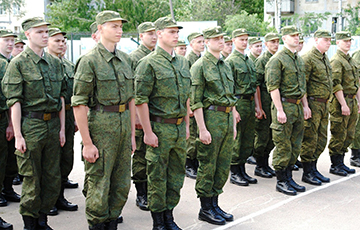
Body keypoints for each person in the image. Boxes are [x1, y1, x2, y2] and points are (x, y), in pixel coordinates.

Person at [72, 11, 136, 229]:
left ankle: (112, 223)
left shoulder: (125, 59)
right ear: (100, 29)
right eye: (113, 26)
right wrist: (88, 143)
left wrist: (132, 135)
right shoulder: (89, 61)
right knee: (98, 185)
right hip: (100, 128)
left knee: (121, 185)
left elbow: (131, 100)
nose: (119, 30)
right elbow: (79, 104)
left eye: (120, 26)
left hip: (123, 129)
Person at [2, 17, 66, 229]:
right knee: (31, 178)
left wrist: (62, 129)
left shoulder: (55, 63)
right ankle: (30, 223)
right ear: (28, 34)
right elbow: (15, 102)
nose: (45, 35)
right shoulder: (18, 64)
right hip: (31, 125)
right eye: (39, 32)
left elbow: (61, 100)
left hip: (52, 125)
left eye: (46, 31)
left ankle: (42, 219)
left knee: (52, 178)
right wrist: (18, 135)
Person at [135, 16, 190, 230]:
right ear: (159, 34)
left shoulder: (183, 63)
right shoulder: (147, 63)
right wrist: (147, 132)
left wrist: (186, 125)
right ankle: (158, 222)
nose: (176, 36)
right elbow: (141, 100)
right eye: (171, 32)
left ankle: (169, 216)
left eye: (177, 32)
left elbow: (186, 96)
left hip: (177, 128)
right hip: (158, 127)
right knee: (157, 176)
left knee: (176, 175)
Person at [191, 26, 238, 225]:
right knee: (208, 164)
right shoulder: (200, 66)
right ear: (207, 42)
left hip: (226, 119)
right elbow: (196, 101)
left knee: (222, 165)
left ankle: (215, 203)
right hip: (211, 119)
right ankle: (205, 207)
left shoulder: (225, 65)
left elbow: (230, 97)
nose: (221, 41)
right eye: (216, 39)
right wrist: (202, 128)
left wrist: (233, 124)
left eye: (222, 38)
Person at [265, 25, 310, 196]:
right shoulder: (277, 60)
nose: (296, 38)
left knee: (295, 144)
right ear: (284, 39)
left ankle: (290, 177)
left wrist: (305, 106)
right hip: (284, 105)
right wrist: (279, 110)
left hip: (297, 105)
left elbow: (302, 86)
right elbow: (273, 87)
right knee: (283, 145)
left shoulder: (297, 59)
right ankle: (281, 180)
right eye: (292, 36)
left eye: (297, 35)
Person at [47, 27, 78, 215]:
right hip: (50, 117)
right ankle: (49, 200)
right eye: (57, 41)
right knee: (51, 163)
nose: (61, 44)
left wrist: (73, 119)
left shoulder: (68, 65)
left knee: (66, 159)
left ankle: (59, 196)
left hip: (67, 115)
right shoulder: (46, 64)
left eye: (63, 41)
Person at [226, 28, 260, 187]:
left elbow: (255, 86)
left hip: (249, 102)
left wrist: (257, 106)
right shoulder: (231, 61)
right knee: (238, 139)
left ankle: (242, 170)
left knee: (247, 139)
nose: (244, 42)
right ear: (233, 41)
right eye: (241, 39)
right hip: (238, 102)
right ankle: (234, 172)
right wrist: (233, 110)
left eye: (246, 39)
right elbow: (228, 88)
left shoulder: (249, 60)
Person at [129, 21, 157, 212]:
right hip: (140, 112)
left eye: (155, 33)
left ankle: (153, 191)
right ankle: (141, 192)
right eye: (149, 34)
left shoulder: (158, 55)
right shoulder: (134, 58)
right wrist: (137, 117)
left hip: (156, 113)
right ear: (141, 36)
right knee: (140, 155)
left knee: (154, 155)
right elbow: (133, 89)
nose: (153, 37)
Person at [300, 30, 332, 185]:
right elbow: (303, 85)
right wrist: (305, 106)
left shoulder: (324, 58)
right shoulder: (308, 58)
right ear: (316, 40)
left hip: (324, 103)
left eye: (330, 40)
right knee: (310, 138)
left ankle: (313, 168)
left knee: (321, 138)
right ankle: (307, 171)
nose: (329, 42)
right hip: (313, 103)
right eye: (325, 40)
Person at [328, 31, 359, 176]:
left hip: (351, 99)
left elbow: (356, 83)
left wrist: (358, 100)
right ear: (338, 42)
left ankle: (341, 162)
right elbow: (336, 84)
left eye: (349, 40)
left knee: (349, 134)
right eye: (344, 41)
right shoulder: (336, 60)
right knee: (339, 133)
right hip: (341, 101)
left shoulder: (350, 60)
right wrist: (343, 104)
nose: (348, 43)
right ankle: (335, 164)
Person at [253, 33, 280, 178]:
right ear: (266, 43)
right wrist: (259, 107)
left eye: (277, 41)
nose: (275, 44)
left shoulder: (277, 58)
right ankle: (260, 165)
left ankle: (265, 163)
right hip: (264, 100)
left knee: (272, 136)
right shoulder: (262, 60)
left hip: (274, 102)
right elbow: (257, 85)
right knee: (263, 135)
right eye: (272, 42)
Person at [0, 29, 20, 206]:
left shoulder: (12, 62)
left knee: (11, 158)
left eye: (12, 40)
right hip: (2, 115)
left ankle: (7, 188)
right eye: (6, 40)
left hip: (9, 116)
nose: (10, 43)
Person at [185, 32, 204, 179]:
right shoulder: (188, 60)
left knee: (198, 133)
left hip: (199, 102)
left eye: (203, 42)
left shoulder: (200, 59)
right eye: (198, 42)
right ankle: (189, 164)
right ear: (191, 44)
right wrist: (189, 106)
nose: (202, 44)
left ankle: (195, 161)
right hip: (191, 102)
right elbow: (187, 85)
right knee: (192, 135)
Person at [349, 49, 360, 167]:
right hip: (357, 94)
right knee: (357, 127)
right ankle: (355, 155)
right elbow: (357, 77)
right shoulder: (358, 54)